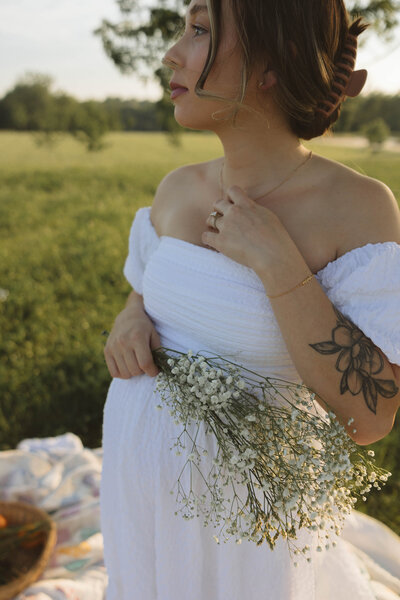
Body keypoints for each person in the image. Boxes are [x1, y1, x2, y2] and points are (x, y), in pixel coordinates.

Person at [99, 0, 400, 598]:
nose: (171, 53)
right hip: (141, 503)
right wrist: (130, 318)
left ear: (274, 62)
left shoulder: (357, 207)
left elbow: (372, 417)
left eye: (202, 30)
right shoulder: (177, 189)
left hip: (247, 531)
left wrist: (279, 265)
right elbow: (144, 285)